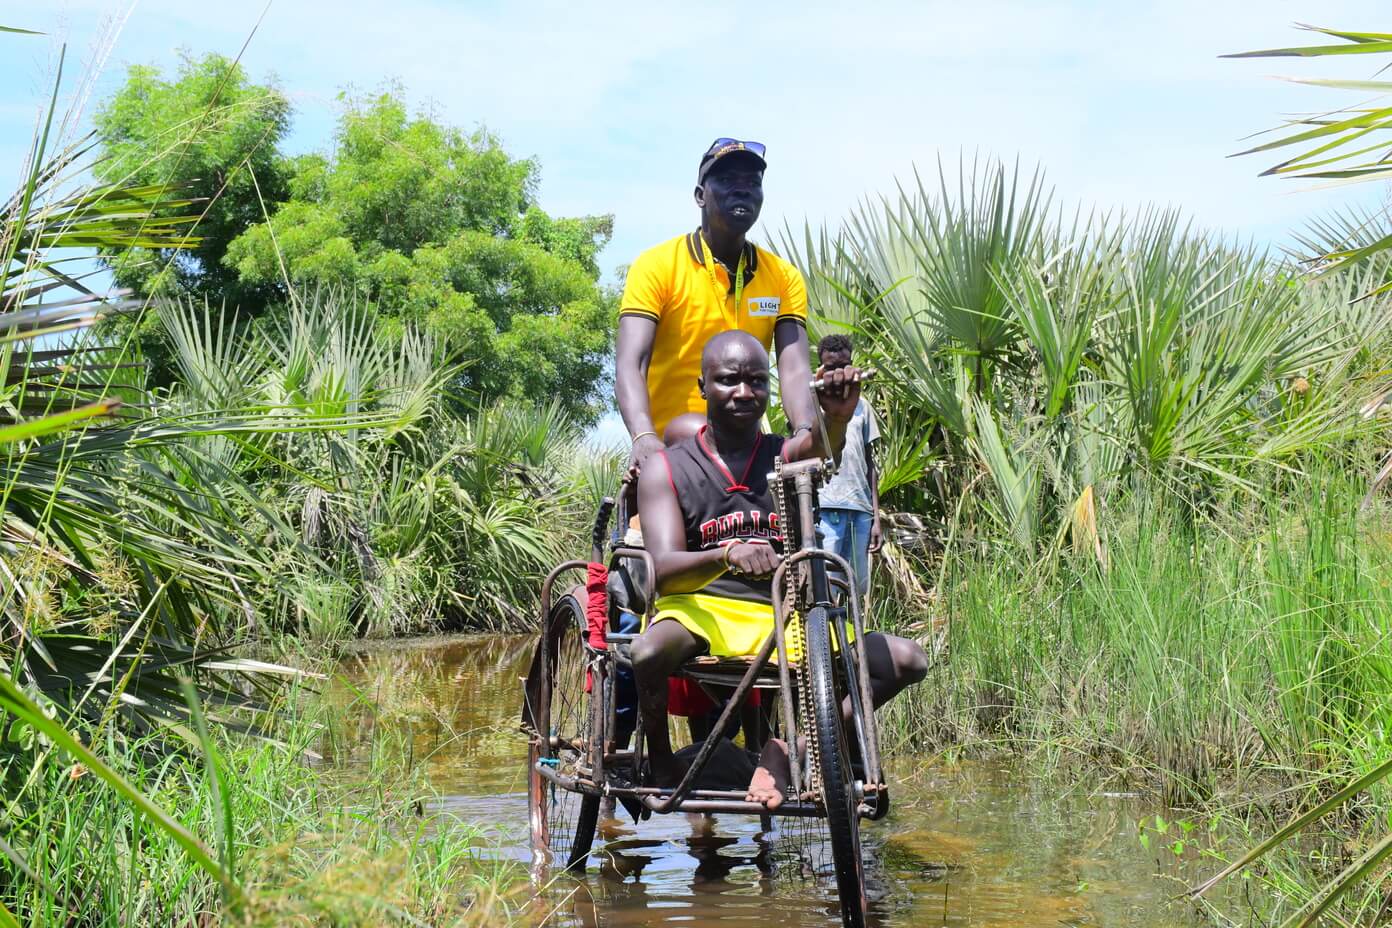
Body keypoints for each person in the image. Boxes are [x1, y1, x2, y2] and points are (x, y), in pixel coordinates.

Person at [632, 330, 927, 808]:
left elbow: (819, 445)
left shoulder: (782, 455)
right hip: (699, 609)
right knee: (646, 653)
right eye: (729, 381)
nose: (744, 393)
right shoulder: (666, 468)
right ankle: (663, 763)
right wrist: (725, 555)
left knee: (908, 660)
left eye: (756, 381)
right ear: (703, 385)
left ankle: (795, 749)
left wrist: (837, 415)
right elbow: (662, 572)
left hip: (783, 613)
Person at [615, 138, 817, 472]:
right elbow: (630, 363)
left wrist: (806, 433)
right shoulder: (656, 266)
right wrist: (643, 436)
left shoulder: (784, 278)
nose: (743, 190)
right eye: (727, 181)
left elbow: (794, 369)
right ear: (700, 196)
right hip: (670, 457)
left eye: (753, 183)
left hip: (749, 463)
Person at [814, 334, 882, 601]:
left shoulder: (862, 406)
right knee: (827, 585)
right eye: (831, 368)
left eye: (845, 366)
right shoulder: (813, 399)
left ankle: (855, 641)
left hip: (859, 508)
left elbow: (870, 463)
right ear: (821, 367)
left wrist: (876, 517)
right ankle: (828, 640)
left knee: (857, 586)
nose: (840, 374)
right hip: (826, 505)